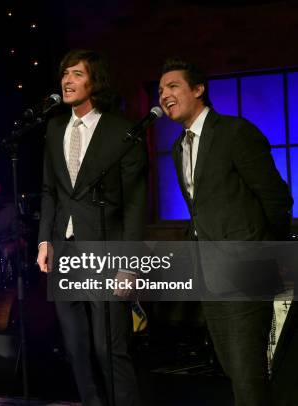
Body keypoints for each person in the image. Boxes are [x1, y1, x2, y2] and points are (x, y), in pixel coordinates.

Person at [159, 57, 293, 406]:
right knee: (233, 368)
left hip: (250, 265)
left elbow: (276, 197)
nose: (164, 95)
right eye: (160, 90)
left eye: (173, 86)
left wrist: (265, 252)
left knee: (249, 373)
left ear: (198, 89)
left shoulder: (235, 132)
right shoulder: (178, 147)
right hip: (211, 271)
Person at [37, 49, 147, 406]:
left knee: (108, 348)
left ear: (94, 81)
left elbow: (134, 203)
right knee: (76, 348)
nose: (67, 81)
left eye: (77, 74)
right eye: (64, 74)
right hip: (63, 249)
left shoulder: (121, 131)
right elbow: (50, 190)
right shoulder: (55, 128)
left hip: (105, 249)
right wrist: (44, 241)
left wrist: (128, 263)